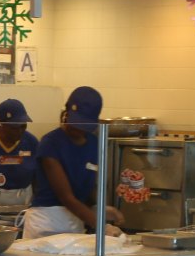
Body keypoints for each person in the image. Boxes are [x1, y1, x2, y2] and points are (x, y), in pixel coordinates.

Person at [23, 86, 123, 239]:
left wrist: (97, 208)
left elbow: (83, 190)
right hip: (45, 223)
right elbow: (66, 197)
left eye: (83, 125)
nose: (75, 128)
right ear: (66, 113)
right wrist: (101, 225)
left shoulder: (94, 143)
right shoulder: (50, 143)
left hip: (75, 221)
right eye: (74, 121)